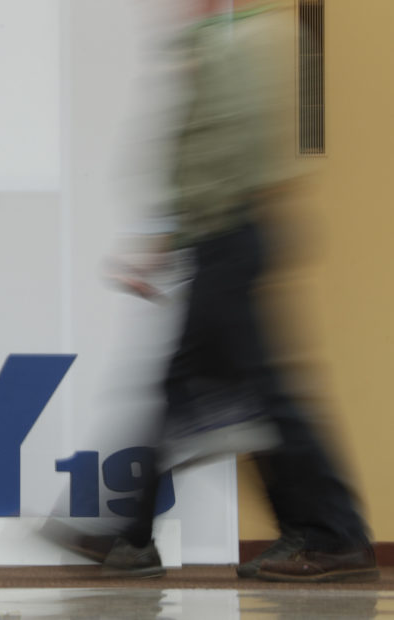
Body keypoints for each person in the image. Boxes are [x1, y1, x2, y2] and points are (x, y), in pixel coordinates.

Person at [64, 0, 377, 582]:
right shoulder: (237, 41)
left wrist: (173, 235)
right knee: (196, 388)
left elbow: (219, 151)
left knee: (253, 394)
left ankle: (329, 534)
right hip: (225, 237)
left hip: (229, 236)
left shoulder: (236, 43)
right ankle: (130, 535)